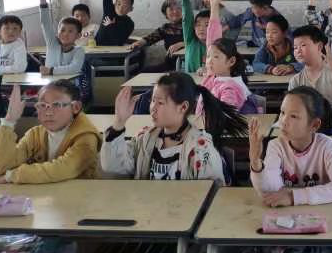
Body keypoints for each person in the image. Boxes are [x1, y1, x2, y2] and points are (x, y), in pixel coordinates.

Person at [239, 86, 332, 253]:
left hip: (318, 230)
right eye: (283, 113)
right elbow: (270, 191)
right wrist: (255, 162)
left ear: (314, 125)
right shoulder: (277, 145)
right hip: (283, 225)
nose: (283, 121)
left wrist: (293, 196)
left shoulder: (327, 146)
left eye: (293, 116)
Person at [100, 73, 247, 182]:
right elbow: (113, 166)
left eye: (160, 103)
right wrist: (119, 122)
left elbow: (212, 196)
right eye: (152, 101)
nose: (153, 108)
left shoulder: (201, 150)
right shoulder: (145, 139)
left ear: (183, 107)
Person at [0, 81, 101, 184]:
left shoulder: (86, 137)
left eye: (57, 105)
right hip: (45, 197)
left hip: (79, 197)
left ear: (76, 107)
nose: (48, 112)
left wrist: (10, 176)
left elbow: (61, 169)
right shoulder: (35, 134)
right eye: (43, 105)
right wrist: (9, 121)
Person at [200, 0, 255, 113]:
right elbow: (212, 40)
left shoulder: (230, 88)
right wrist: (214, 8)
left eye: (216, 57)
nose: (209, 61)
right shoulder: (213, 76)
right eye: (208, 56)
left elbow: (225, 116)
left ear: (231, 61)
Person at [39, 0, 85, 76]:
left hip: (67, 85)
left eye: (70, 31)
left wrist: (51, 71)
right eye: (62, 30)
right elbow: (45, 23)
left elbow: (74, 68)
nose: (65, 34)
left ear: (78, 35)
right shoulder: (52, 44)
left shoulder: (79, 51)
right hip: (49, 83)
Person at [130, 0, 184, 72]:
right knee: (143, 72)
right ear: (166, 14)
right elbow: (150, 38)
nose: (175, 11)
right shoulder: (165, 28)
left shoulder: (191, 26)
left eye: (178, 8)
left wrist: (182, 44)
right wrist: (138, 43)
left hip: (187, 64)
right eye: (171, 9)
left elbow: (198, 42)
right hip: (170, 64)